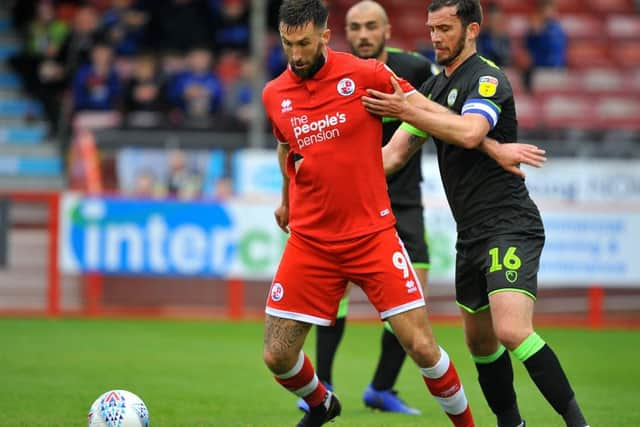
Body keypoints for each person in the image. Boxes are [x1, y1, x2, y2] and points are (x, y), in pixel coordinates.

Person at [361, 1, 589, 427]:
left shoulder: (487, 78)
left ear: (472, 30)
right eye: (431, 29)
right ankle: (511, 424)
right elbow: (392, 156)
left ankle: (578, 423)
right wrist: (333, 171)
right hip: (470, 235)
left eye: (445, 28)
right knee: (482, 345)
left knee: (511, 331)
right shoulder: (431, 90)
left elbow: (470, 132)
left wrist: (409, 109)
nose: (434, 37)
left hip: (509, 223)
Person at [261, 1, 477, 426]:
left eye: (304, 43)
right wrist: (286, 198)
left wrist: (483, 138)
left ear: (325, 36)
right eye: (288, 45)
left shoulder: (366, 75)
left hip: (371, 234)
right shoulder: (274, 94)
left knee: (422, 346)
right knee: (277, 355)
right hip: (310, 241)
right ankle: (323, 402)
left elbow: (431, 112)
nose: (297, 55)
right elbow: (286, 145)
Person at [295, 0, 440, 416]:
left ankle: (381, 387)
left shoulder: (413, 70)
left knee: (416, 299)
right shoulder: (329, 73)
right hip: (346, 201)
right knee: (332, 297)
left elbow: (441, 110)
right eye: (355, 27)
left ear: (387, 30)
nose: (362, 34)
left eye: (370, 26)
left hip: (404, 200)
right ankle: (323, 387)